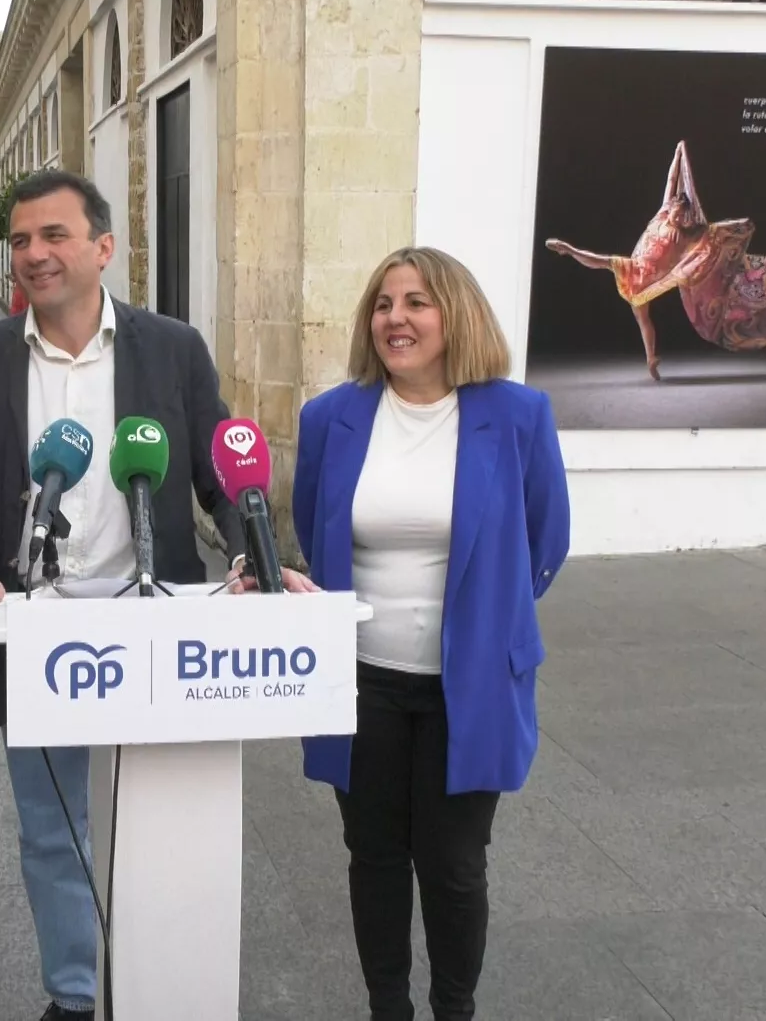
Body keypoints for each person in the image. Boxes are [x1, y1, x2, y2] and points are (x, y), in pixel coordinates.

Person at [0, 169, 293, 1020]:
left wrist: (256, 561)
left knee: (159, 824)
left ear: (102, 248)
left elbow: (220, 479)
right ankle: (75, 993)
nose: (33, 255)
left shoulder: (173, 349)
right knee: (53, 829)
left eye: (53, 236)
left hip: (157, 627)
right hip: (36, 631)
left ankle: (162, 979)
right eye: (19, 240)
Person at [292, 247, 571, 1021]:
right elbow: (319, 536)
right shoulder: (330, 418)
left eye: (417, 302)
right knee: (374, 857)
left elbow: (546, 539)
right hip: (361, 677)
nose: (395, 319)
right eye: (383, 304)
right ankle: (389, 1007)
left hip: (472, 683)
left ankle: (455, 1009)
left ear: (456, 314)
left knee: (453, 865)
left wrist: (492, 613)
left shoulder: (516, 416)